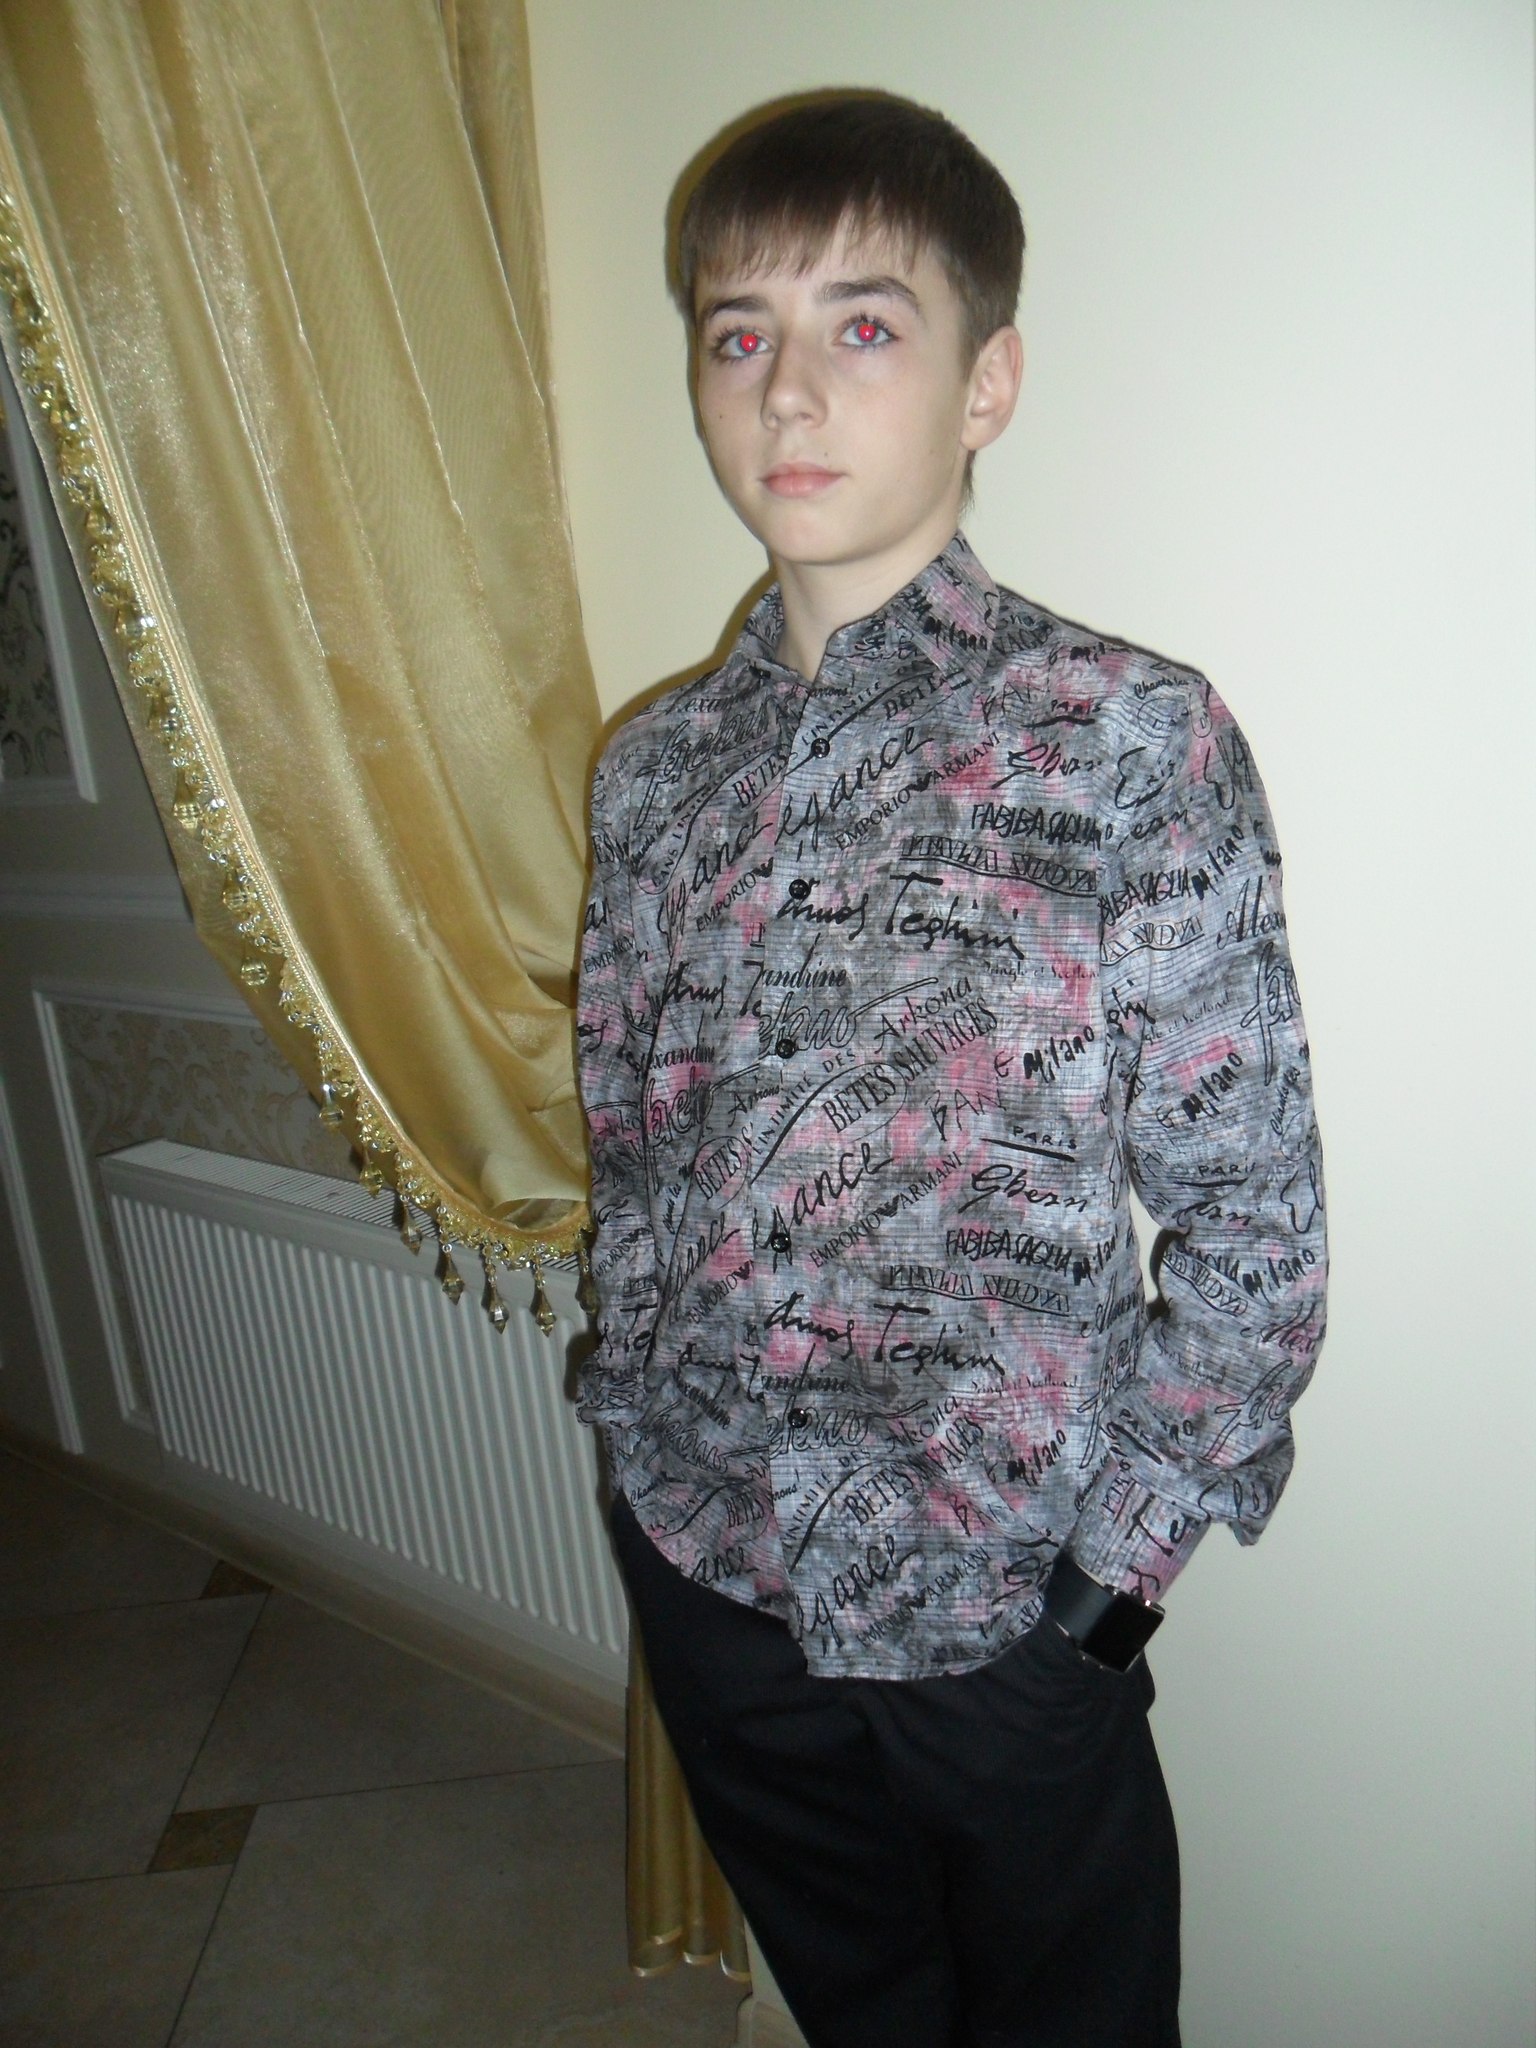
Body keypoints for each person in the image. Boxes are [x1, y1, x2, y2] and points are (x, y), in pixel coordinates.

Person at [575, 90, 1326, 2048]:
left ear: (988, 381)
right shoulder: (652, 777)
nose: (787, 391)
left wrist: (1104, 1599)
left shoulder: (1127, 742)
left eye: (863, 325)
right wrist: (643, 1472)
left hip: (1001, 1617)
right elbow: (634, 1149)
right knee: (867, 2012)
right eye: (736, 333)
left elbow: (1256, 1237)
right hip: (710, 1573)